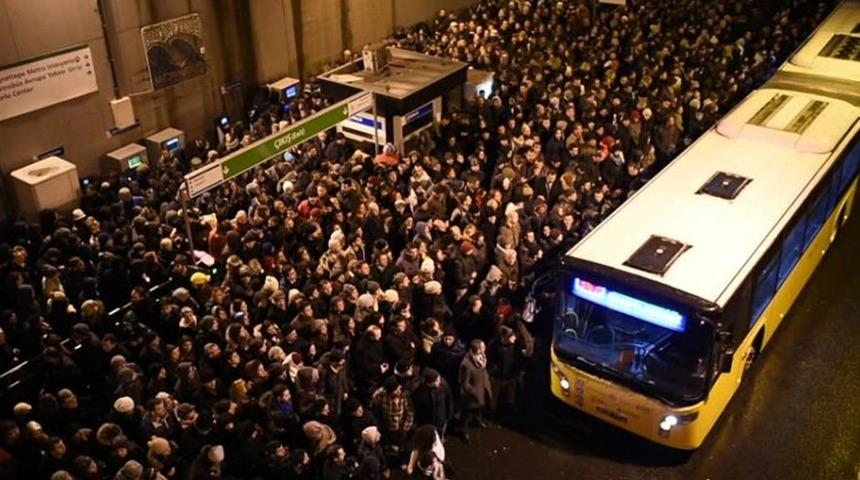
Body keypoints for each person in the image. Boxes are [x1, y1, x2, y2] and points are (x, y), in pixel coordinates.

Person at [457, 340, 492, 442]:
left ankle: (477, 420)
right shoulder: (466, 364)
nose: (484, 349)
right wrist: (474, 392)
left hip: (482, 388)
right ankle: (464, 430)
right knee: (467, 413)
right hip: (472, 394)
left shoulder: (482, 357)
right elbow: (464, 383)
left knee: (479, 409)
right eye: (482, 347)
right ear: (477, 349)